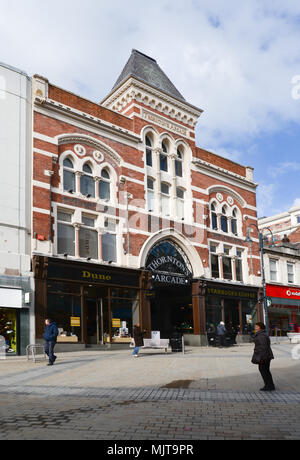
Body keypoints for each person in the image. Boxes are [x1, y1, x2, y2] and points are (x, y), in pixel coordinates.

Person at [251, 322, 275, 392]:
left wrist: (261, 357)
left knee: (264, 371)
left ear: (260, 327)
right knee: (266, 371)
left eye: (256, 326)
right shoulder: (262, 334)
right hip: (265, 355)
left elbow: (263, 347)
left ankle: (268, 386)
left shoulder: (261, 335)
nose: (255, 327)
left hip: (264, 356)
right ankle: (270, 385)